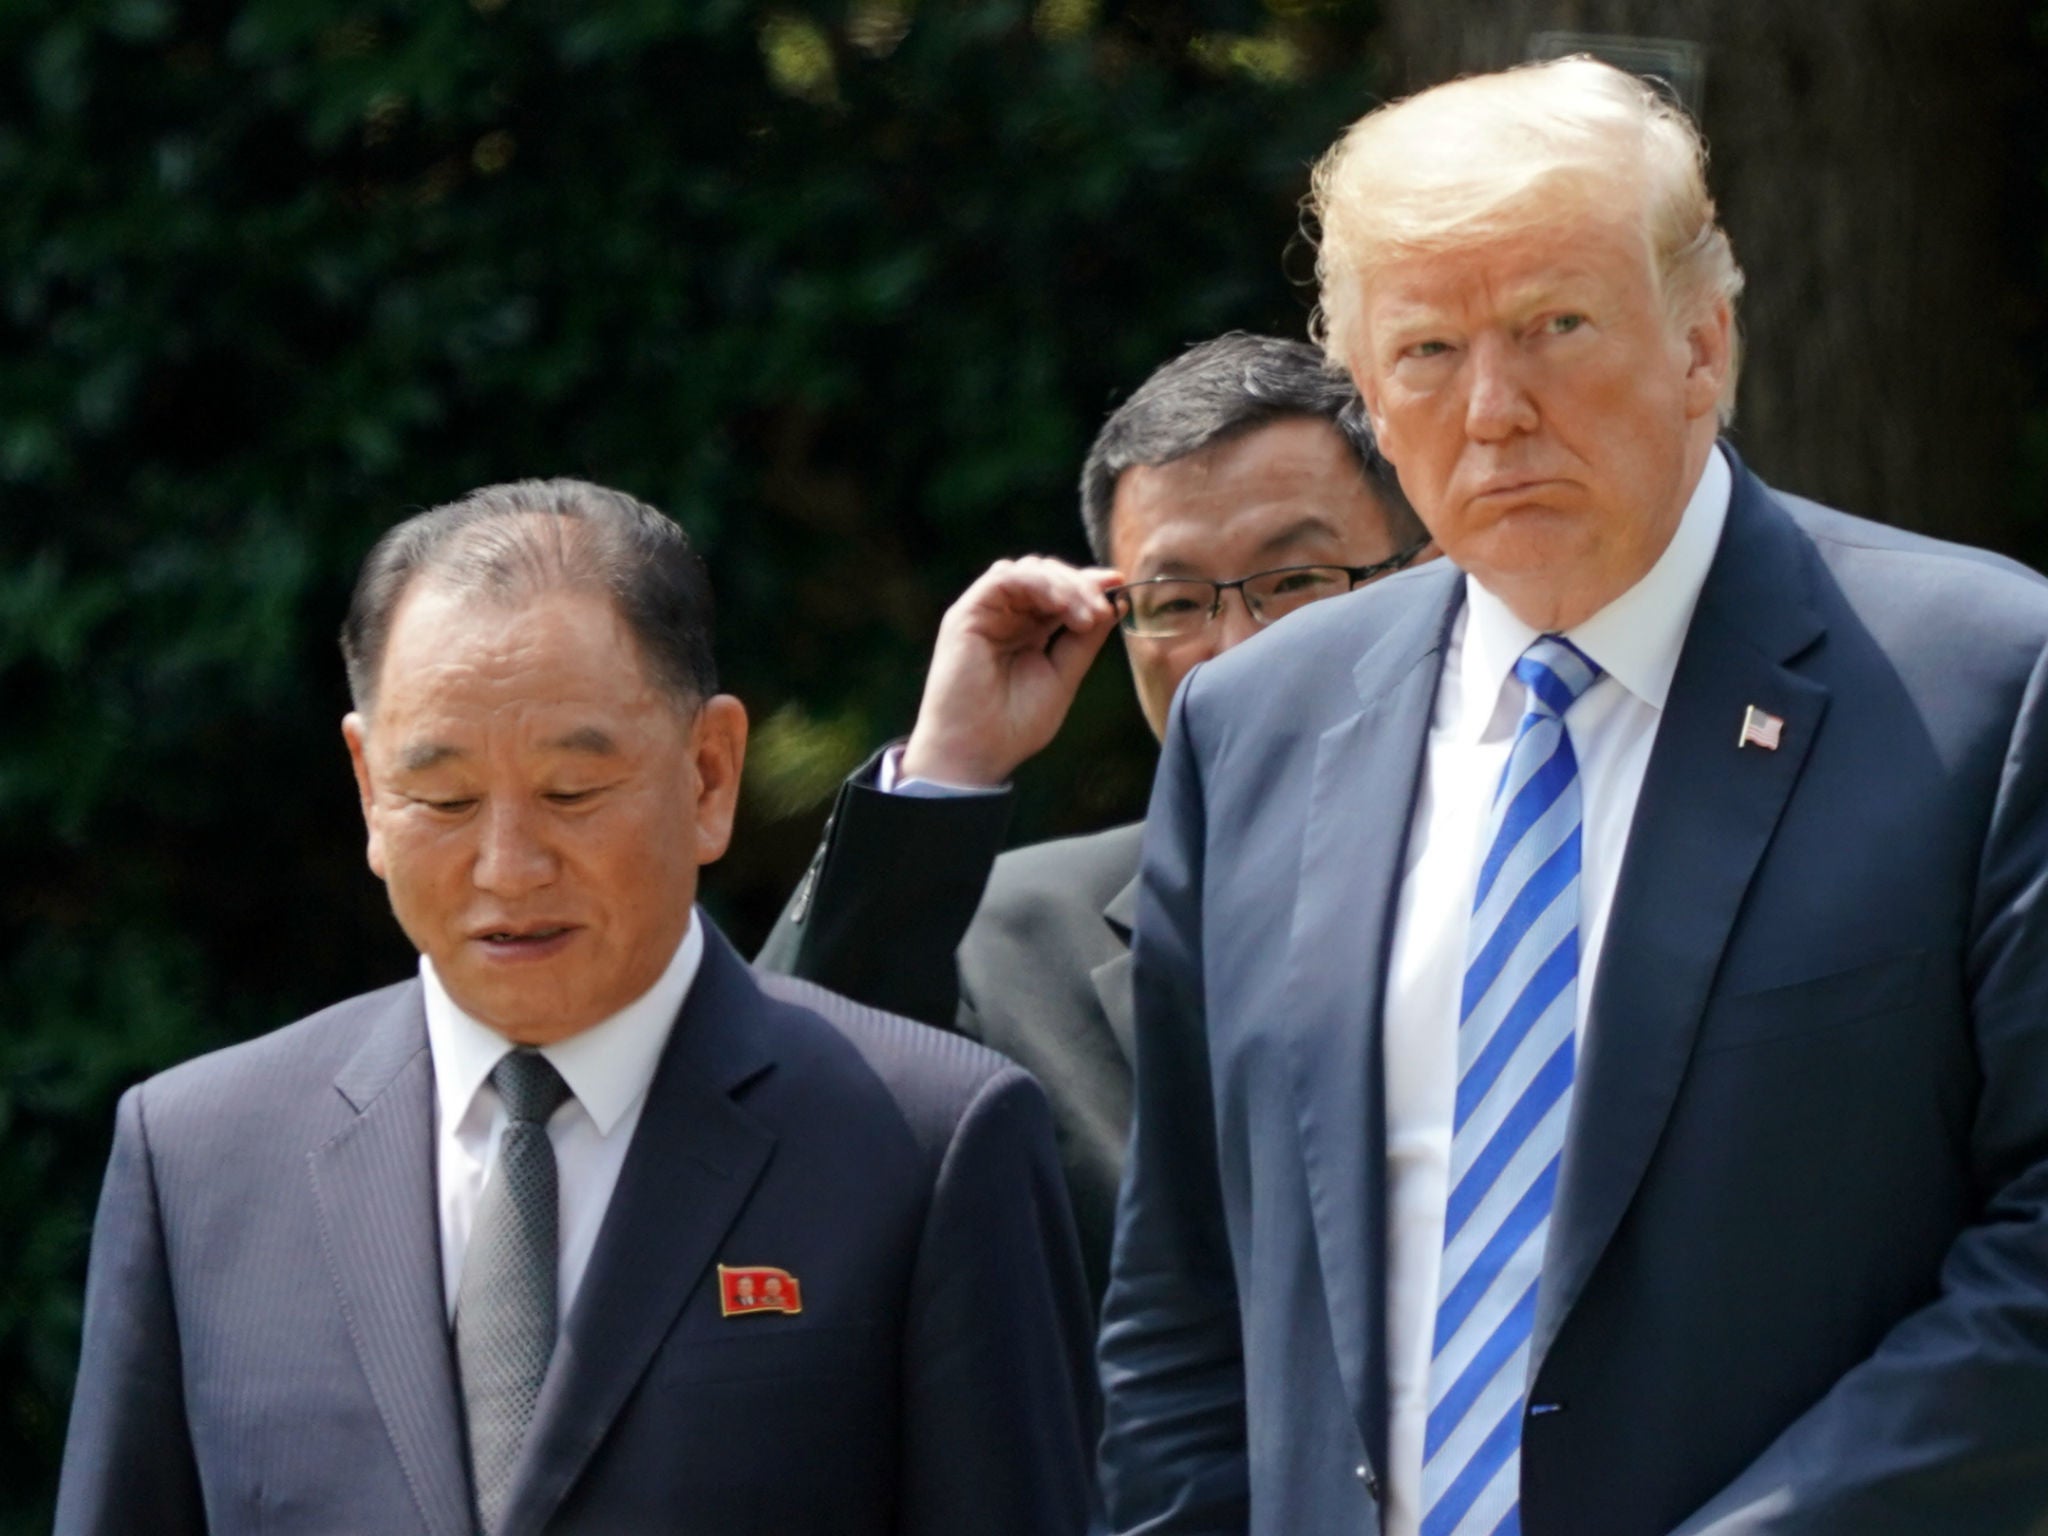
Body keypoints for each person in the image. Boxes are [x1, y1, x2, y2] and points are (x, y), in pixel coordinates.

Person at [1100, 57, 2048, 1536]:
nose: (1493, 410)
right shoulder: (1254, 730)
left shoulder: (1983, 685)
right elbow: (1186, 1295)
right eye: (1424, 351)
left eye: (1556, 327)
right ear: (1367, 396)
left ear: (1703, 345)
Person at [56, 481, 1099, 1536]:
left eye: (570, 793)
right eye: (445, 800)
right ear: (369, 789)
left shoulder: (922, 1143)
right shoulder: (200, 1157)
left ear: (708, 774)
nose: (508, 869)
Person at [758, 334, 1430, 1304]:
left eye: (1293, 583)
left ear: (1433, 569)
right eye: (1174, 601)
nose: (1234, 649)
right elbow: (783, 1155)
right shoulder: (1002, 945)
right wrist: (948, 764)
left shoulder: (1563, 867)